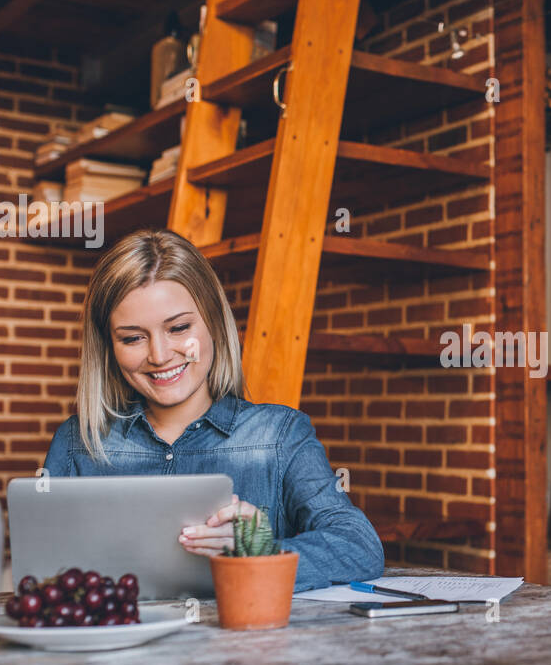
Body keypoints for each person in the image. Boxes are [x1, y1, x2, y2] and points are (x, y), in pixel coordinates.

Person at [42, 228, 384, 592]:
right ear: (109, 347)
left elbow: (359, 546)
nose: (159, 355)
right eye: (132, 338)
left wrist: (263, 551)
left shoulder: (280, 435)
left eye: (178, 328)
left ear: (215, 325)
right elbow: (44, 568)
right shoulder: (78, 442)